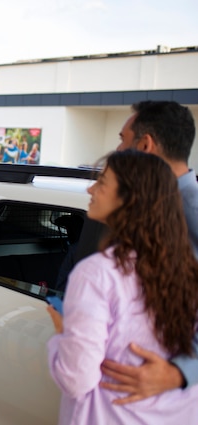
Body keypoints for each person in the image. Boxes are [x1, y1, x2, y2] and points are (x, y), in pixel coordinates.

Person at [46, 150, 198, 424]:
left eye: (102, 183)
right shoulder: (189, 268)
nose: (90, 188)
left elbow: (76, 379)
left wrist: (60, 335)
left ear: (130, 200)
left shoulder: (96, 275)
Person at [100, 100, 198, 403]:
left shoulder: (188, 212)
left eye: (122, 139)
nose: (117, 151)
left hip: (163, 394)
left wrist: (180, 372)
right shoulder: (152, 204)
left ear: (144, 145)